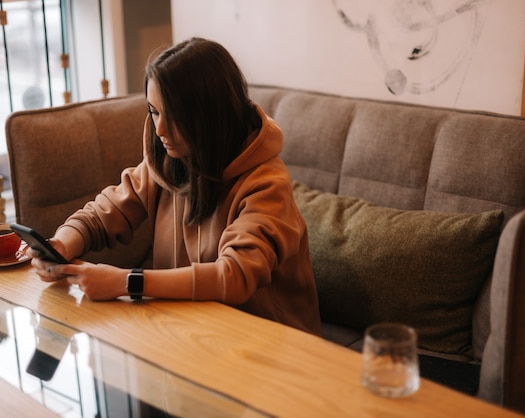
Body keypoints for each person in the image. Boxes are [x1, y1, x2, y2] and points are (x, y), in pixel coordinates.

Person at [30, 37, 322, 337]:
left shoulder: (266, 183)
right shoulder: (172, 161)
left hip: (272, 342)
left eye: (174, 116)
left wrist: (127, 281)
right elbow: (106, 213)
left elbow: (235, 277)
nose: (159, 130)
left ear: (212, 115)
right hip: (193, 329)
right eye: (154, 112)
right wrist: (61, 245)